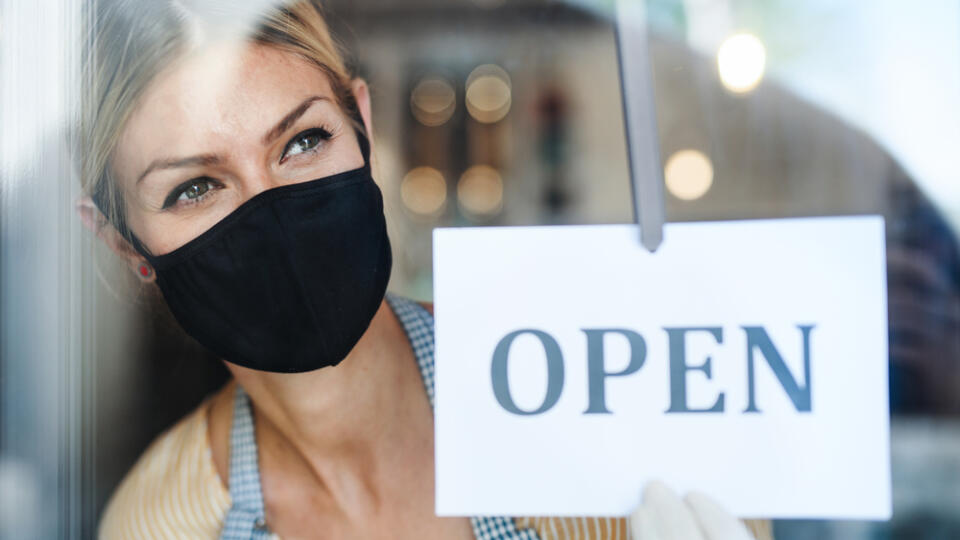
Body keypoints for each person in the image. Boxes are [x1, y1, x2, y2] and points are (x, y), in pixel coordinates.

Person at [76, 1, 772, 538]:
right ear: (124, 245)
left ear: (364, 130)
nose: (270, 211)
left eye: (303, 140)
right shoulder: (160, 523)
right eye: (194, 187)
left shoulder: (597, 399)